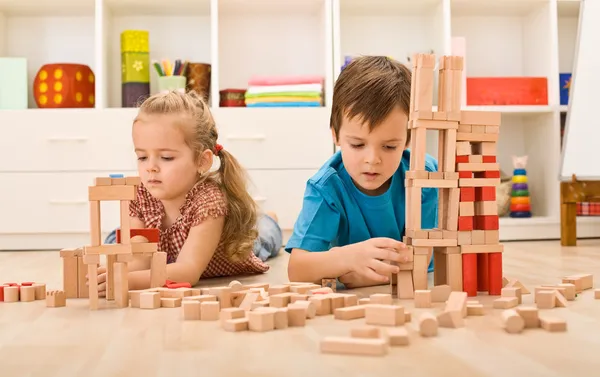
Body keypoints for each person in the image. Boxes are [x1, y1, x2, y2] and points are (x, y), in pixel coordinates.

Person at [96, 90, 282, 296]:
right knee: (118, 240)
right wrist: (114, 273)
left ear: (202, 161)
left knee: (262, 238)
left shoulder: (209, 201)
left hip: (230, 250)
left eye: (166, 158)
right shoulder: (141, 193)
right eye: (142, 157)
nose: (151, 167)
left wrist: (127, 280)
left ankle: (269, 220)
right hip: (168, 260)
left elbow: (188, 271)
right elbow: (140, 259)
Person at [285, 56, 438, 289]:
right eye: (357, 144)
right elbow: (297, 269)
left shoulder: (424, 177)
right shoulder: (325, 188)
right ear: (335, 135)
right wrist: (348, 259)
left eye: (389, 146)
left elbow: (419, 261)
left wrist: (363, 275)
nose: (372, 160)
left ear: (408, 140)